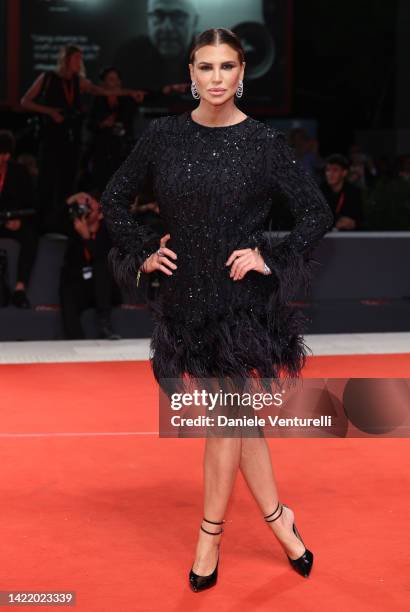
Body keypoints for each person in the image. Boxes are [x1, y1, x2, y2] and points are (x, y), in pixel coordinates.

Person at [101, 28, 333, 592]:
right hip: (185, 301)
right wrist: (144, 254)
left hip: (239, 304)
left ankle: (211, 534)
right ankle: (282, 522)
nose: (216, 78)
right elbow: (113, 200)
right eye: (205, 67)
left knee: (225, 417)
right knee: (237, 418)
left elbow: (315, 214)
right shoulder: (162, 137)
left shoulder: (264, 142)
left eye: (226, 67)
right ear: (191, 74)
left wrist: (266, 253)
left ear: (242, 75)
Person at [20, 44, 146, 234]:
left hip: (72, 139)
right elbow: (25, 101)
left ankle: (61, 224)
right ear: (66, 59)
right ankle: (38, 226)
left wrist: (130, 93)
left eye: (81, 59)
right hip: (51, 137)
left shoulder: (79, 82)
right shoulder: (47, 78)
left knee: (67, 182)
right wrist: (50, 112)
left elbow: (103, 91)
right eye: (76, 58)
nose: (79, 62)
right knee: (46, 180)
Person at [59, 191, 122, 340]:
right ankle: (75, 337)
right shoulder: (75, 227)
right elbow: (48, 222)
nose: (85, 208)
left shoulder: (108, 232)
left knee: (101, 266)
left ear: (100, 214)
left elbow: (104, 259)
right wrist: (73, 197)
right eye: (84, 205)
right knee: (66, 284)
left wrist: (87, 238)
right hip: (83, 287)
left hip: (105, 291)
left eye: (90, 206)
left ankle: (105, 325)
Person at [114, 0, 197, 99]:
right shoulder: (128, 56)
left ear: (194, 21)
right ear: (148, 20)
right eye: (158, 16)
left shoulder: (212, 58)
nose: (167, 28)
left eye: (178, 17)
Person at [0, 130, 38, 309]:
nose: (4, 158)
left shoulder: (19, 171)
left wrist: (19, 221)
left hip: (13, 220)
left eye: (6, 154)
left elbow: (31, 203)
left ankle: (20, 289)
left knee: (30, 237)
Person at [86, 67, 138, 192]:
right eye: (111, 79)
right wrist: (103, 124)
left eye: (116, 79)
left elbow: (130, 120)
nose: (115, 82)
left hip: (122, 147)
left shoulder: (127, 100)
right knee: (102, 180)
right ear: (104, 83)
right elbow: (90, 124)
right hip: (102, 147)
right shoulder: (98, 100)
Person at [321, 154, 364, 230]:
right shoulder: (321, 191)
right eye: (328, 170)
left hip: (347, 237)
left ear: (344, 173)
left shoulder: (352, 192)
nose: (330, 174)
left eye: (335, 170)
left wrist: (352, 223)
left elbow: (357, 219)